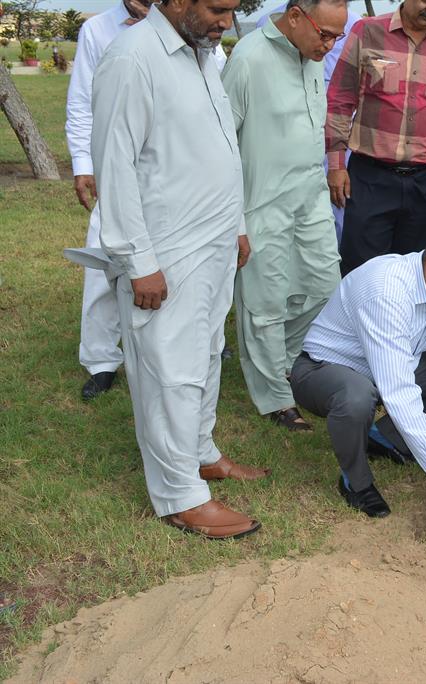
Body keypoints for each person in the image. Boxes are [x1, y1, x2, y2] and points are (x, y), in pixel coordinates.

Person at [91, 0, 268, 539]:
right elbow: (114, 165)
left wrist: (235, 224)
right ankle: (179, 495)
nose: (225, 22)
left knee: (206, 353)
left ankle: (200, 452)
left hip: (214, 240)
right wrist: (138, 261)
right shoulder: (132, 58)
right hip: (165, 250)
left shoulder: (202, 54)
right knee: (169, 369)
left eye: (233, 10)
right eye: (217, 8)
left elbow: (217, 148)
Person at [66, 0, 227, 401]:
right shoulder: (102, 32)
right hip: (122, 170)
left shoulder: (196, 31)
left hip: (177, 177)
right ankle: (101, 359)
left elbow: (212, 86)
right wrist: (85, 163)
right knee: (109, 261)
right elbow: (84, 101)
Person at [290, 227, 426, 518]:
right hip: (323, 371)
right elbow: (401, 396)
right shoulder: (385, 291)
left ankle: (381, 438)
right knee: (356, 397)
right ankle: (356, 482)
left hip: (392, 369)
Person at [221, 0, 348, 431]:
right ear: (295, 16)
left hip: (310, 199)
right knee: (264, 301)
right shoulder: (248, 58)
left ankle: (288, 365)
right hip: (260, 203)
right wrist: (235, 219)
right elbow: (222, 143)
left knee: (323, 286)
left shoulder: (311, 57)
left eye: (337, 36)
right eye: (325, 34)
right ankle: (274, 395)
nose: (329, 46)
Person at [326, 0, 426, 275]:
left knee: (417, 273)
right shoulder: (366, 31)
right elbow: (340, 101)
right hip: (370, 178)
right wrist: (336, 165)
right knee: (360, 271)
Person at [256, 1, 359, 247]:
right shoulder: (269, 21)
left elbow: (348, 96)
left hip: (334, 147)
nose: (329, 43)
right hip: (282, 143)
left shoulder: (353, 25)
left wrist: (336, 161)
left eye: (335, 37)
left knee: (335, 224)